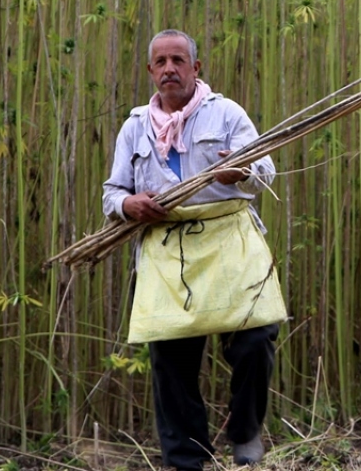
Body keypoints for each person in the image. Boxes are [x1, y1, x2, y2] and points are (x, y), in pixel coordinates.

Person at [102, 29, 285, 470]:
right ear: (150, 71)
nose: (170, 69)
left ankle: (245, 431)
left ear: (195, 68)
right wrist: (129, 205)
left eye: (178, 60)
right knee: (170, 359)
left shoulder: (226, 115)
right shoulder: (134, 127)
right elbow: (112, 194)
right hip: (167, 246)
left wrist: (240, 172)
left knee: (256, 338)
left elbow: (266, 169)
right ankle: (187, 460)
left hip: (228, 238)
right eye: (161, 61)